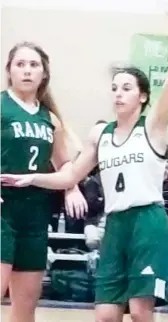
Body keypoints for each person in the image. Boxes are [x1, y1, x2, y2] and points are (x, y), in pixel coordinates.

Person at [1, 2, 168, 321]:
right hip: (111, 224)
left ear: (142, 96)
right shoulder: (100, 135)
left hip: (146, 221)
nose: (118, 93)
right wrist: (34, 178)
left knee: (141, 312)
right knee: (105, 314)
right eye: (114, 88)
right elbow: (71, 173)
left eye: (126, 88)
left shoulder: (152, 128)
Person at [0, 41, 88, 322]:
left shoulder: (50, 118)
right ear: (9, 71)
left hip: (36, 215)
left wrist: (72, 186)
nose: (27, 71)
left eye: (33, 65)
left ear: (44, 74)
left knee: (25, 310)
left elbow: (64, 164)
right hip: (3, 211)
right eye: (20, 64)